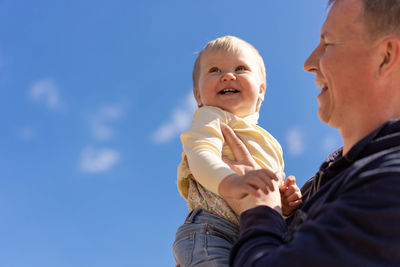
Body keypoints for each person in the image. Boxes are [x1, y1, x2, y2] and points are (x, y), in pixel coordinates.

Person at [222, 0, 400, 266]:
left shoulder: (389, 185)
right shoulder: (325, 183)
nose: (309, 63)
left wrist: (259, 209)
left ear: (385, 56)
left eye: (327, 44)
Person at [173, 36, 302, 267]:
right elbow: (201, 155)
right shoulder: (211, 117)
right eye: (214, 70)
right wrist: (230, 182)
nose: (228, 76)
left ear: (261, 90)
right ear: (198, 95)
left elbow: (264, 194)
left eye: (240, 68)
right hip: (212, 229)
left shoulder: (271, 143)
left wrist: (283, 204)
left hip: (253, 231)